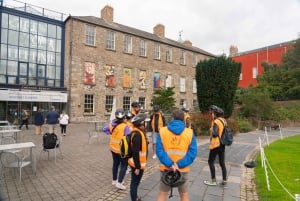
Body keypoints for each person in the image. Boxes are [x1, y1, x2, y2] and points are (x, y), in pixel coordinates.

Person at [156, 109, 197, 201]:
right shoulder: (189, 133)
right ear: (183, 119)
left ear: (172, 118)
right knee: (184, 195)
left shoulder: (162, 131)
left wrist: (170, 164)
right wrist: (178, 164)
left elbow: (159, 151)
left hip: (166, 168)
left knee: (162, 194)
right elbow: (192, 153)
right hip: (182, 169)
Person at [103, 109, 131, 190]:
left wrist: (110, 133)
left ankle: (114, 180)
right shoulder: (125, 126)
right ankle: (119, 182)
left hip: (112, 148)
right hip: (121, 150)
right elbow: (129, 137)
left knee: (115, 164)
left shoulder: (112, 124)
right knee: (124, 165)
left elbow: (104, 129)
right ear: (123, 117)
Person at [204, 105, 228, 188]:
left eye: (212, 113)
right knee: (222, 163)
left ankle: (213, 180)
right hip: (222, 144)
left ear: (215, 113)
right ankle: (224, 181)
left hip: (216, 144)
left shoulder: (216, 122)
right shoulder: (223, 120)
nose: (211, 114)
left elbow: (215, 134)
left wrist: (211, 129)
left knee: (210, 161)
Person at [128, 113, 149, 201]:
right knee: (134, 183)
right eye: (144, 123)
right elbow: (135, 151)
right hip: (137, 164)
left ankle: (135, 197)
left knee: (135, 182)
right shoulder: (137, 135)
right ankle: (134, 199)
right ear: (140, 124)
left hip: (136, 162)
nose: (146, 125)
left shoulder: (137, 131)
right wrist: (137, 167)